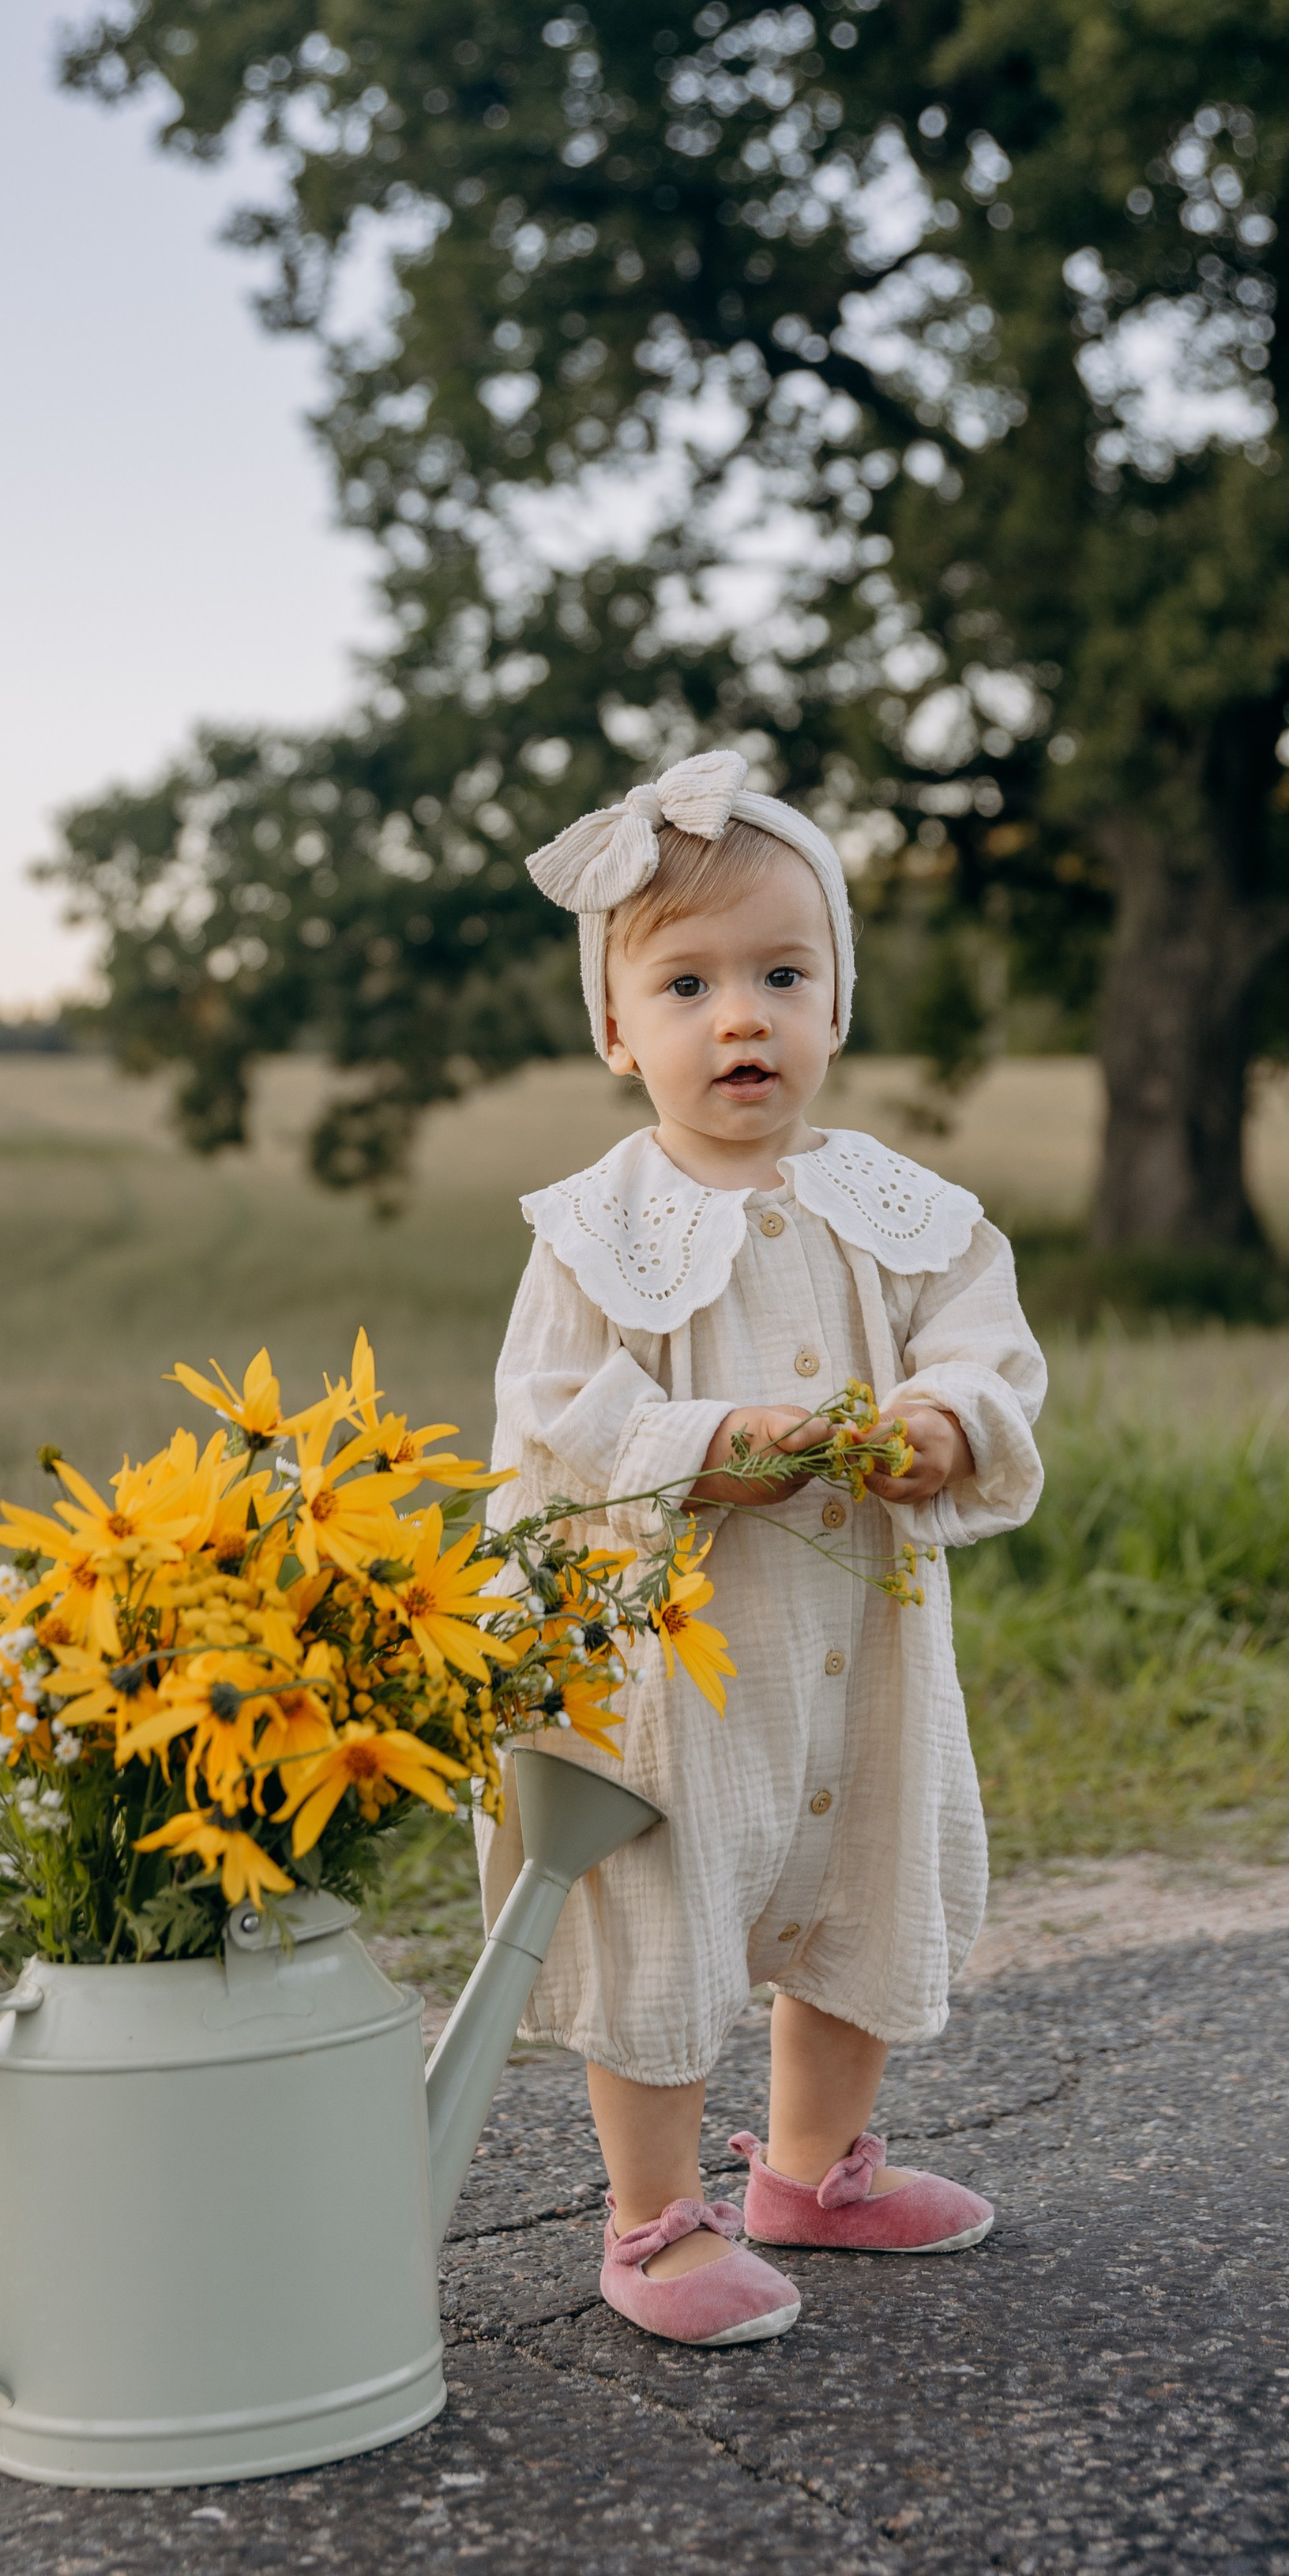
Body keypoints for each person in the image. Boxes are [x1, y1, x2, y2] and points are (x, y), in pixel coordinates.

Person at [479, 749, 1047, 2348]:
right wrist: (696, 1446)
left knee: (861, 1874)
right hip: (675, 1660)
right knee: (661, 1909)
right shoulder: (596, 1225)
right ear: (614, 1029)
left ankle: (811, 2171)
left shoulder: (899, 1203)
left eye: (782, 975)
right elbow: (550, 1411)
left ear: (836, 1006)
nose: (741, 1017)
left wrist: (941, 1415)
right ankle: (654, 2221)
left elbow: (985, 1349)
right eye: (686, 984)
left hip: (860, 1643)